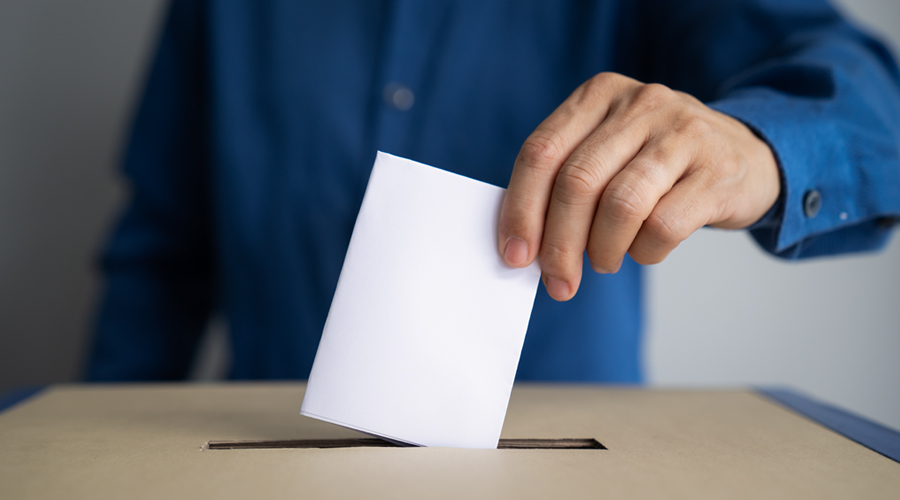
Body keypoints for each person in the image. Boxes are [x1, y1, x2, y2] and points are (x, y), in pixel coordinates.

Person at [86, 0, 900, 383]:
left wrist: (758, 146)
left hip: (569, 459)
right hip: (261, 454)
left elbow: (871, 99)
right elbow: (160, 254)